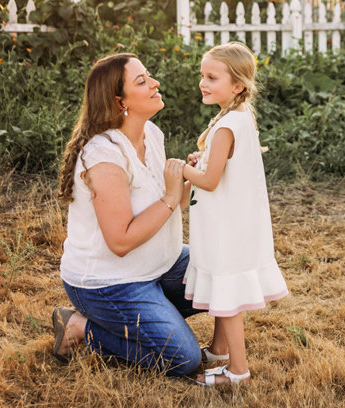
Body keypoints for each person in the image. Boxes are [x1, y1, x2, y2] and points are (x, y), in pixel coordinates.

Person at [51, 53, 204, 377]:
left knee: (221, 268)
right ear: (120, 101)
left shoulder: (152, 134)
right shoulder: (105, 155)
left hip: (159, 267)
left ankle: (148, 318)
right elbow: (120, 241)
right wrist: (170, 193)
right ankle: (80, 327)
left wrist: (188, 178)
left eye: (148, 76)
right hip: (109, 283)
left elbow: (175, 206)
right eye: (142, 81)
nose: (155, 83)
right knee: (184, 358)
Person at [180, 42, 289, 386]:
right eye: (203, 75)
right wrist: (203, 161)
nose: (203, 82)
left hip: (223, 226)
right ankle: (217, 350)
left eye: (212, 77)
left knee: (226, 295)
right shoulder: (238, 118)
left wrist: (182, 171)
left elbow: (210, 182)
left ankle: (238, 370)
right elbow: (222, 168)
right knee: (223, 291)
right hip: (235, 222)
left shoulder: (227, 125)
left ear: (237, 85)